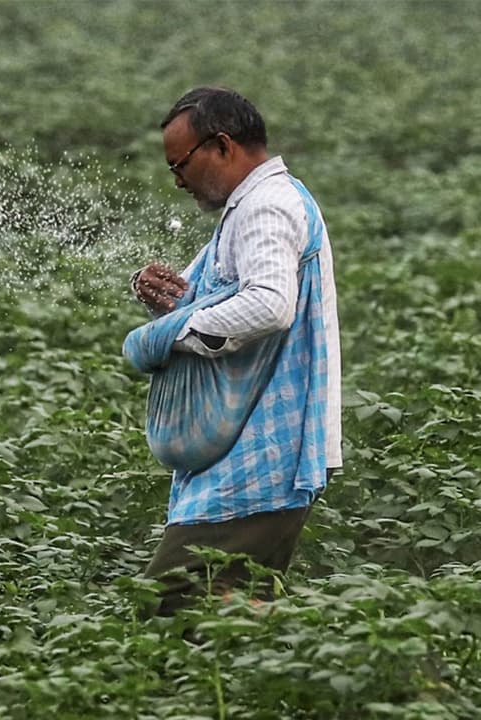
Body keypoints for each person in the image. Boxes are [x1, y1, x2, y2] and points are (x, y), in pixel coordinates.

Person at [127, 87, 342, 616]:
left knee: (167, 606)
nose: (176, 179)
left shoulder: (266, 207)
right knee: (231, 614)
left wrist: (170, 335)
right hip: (243, 455)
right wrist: (167, 300)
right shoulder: (251, 208)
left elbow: (268, 305)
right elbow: (221, 304)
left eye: (179, 163)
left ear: (221, 146)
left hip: (261, 459)